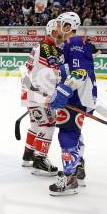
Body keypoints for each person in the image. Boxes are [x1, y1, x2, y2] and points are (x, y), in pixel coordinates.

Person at [49, 12, 96, 196]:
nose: (57, 28)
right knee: (73, 132)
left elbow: (80, 72)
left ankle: (69, 178)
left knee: (67, 134)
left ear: (68, 27)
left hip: (75, 97)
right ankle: (77, 165)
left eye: (60, 25)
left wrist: (63, 92)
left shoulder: (74, 42)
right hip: (75, 96)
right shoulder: (69, 44)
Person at [20, 19, 64, 175]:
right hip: (40, 94)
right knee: (48, 126)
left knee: (36, 126)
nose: (63, 32)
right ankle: (40, 159)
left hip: (31, 91)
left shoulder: (41, 45)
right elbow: (56, 71)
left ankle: (29, 154)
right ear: (53, 31)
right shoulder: (48, 48)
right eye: (60, 29)